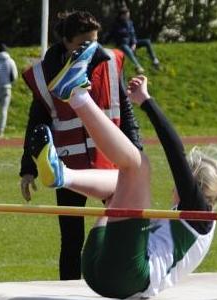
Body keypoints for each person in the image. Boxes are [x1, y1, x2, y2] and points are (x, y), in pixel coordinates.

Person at [29, 43, 217, 299]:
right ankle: (63, 174)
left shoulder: (200, 213)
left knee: (139, 166)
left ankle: (78, 96)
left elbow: (174, 150)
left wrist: (147, 102)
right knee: (121, 183)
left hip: (124, 274)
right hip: (104, 270)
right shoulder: (190, 217)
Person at [19, 11, 143, 281]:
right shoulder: (43, 74)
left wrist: (137, 152)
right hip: (66, 165)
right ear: (65, 41)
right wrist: (27, 168)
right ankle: (68, 293)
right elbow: (36, 123)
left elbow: (126, 111)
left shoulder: (110, 61)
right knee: (71, 239)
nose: (91, 49)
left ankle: (121, 281)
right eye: (82, 44)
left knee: (123, 226)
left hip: (109, 162)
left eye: (94, 42)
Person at [106, 6, 160, 74]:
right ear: (122, 16)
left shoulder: (130, 22)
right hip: (122, 44)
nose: (128, 17)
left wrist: (134, 43)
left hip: (132, 43)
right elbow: (113, 35)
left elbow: (133, 33)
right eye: (127, 15)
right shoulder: (116, 24)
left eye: (128, 15)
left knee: (147, 41)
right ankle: (138, 66)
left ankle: (154, 60)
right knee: (126, 47)